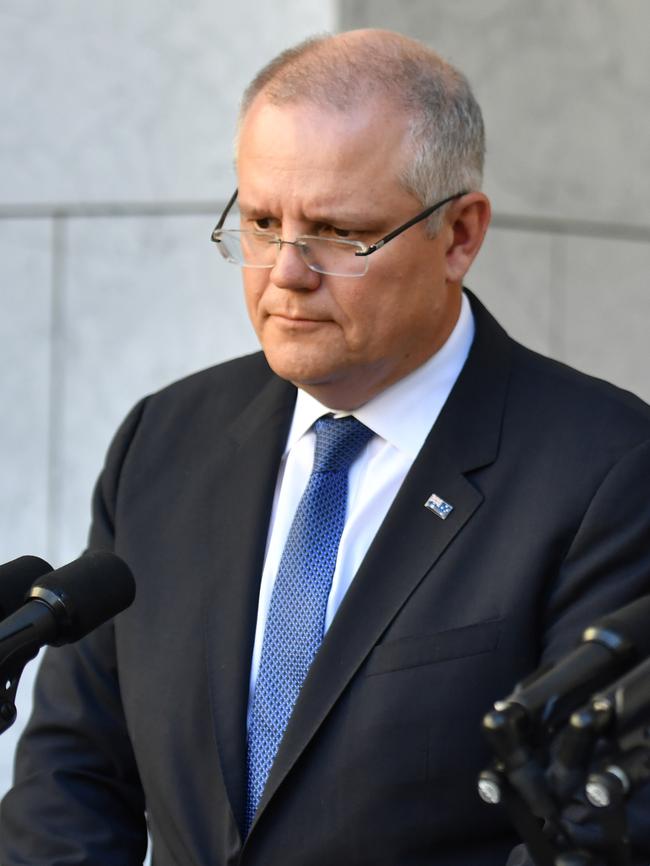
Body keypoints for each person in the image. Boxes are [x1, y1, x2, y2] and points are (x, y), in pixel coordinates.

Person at [2, 28, 650, 866]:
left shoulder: (605, 470)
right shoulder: (164, 439)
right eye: (264, 222)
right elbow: (73, 776)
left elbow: (589, 829)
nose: (285, 272)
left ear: (459, 235)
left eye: (340, 233)